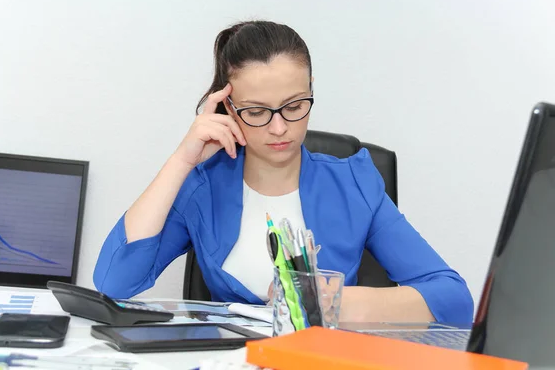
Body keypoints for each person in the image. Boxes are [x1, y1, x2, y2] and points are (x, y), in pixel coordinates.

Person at [93, 20, 473, 324]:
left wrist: (335, 302)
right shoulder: (203, 188)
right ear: (228, 109)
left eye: (294, 105)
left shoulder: (354, 184)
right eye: (256, 111)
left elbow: (454, 300)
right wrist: (182, 161)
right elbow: (115, 282)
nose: (279, 128)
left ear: (310, 90)